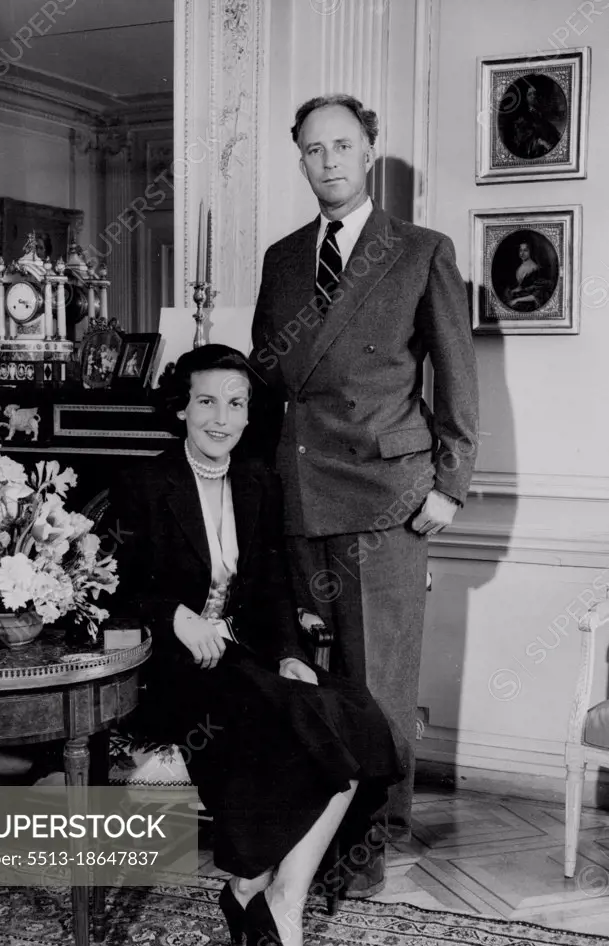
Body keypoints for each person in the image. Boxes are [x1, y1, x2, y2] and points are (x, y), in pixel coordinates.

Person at [109, 344, 402, 946]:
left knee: (356, 719)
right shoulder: (142, 483)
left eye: (235, 404)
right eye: (207, 401)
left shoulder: (255, 482)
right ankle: (266, 899)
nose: (221, 418)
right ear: (181, 407)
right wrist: (175, 617)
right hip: (173, 674)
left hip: (246, 662)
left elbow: (271, 586)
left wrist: (293, 655)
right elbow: (115, 590)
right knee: (305, 725)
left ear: (248, 414)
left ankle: (266, 892)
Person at [250, 94, 479, 898]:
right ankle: (300, 831)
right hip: (297, 494)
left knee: (377, 683)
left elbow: (457, 376)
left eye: (342, 145)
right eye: (313, 149)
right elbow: (268, 385)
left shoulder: (419, 250)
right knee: (300, 679)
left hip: (385, 497)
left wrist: (448, 485)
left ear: (369, 151)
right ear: (300, 158)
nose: (328, 162)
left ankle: (369, 841)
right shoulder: (281, 258)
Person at [503, 240, 553, 311]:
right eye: (520, 250)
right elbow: (523, 287)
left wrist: (517, 300)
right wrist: (512, 291)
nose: (522, 253)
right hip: (521, 296)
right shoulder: (520, 267)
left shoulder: (535, 269)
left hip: (530, 302)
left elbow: (537, 295)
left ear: (530, 252)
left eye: (525, 250)